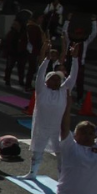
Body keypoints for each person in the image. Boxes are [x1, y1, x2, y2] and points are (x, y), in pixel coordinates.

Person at [27, 42, 79, 178]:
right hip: (41, 126)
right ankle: (32, 173)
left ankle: (62, 176)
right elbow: (40, 74)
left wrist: (74, 59)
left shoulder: (63, 91)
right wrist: (47, 59)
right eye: (53, 79)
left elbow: (73, 77)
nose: (56, 82)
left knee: (61, 153)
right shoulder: (41, 90)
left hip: (58, 128)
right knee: (37, 152)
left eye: (58, 80)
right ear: (46, 81)